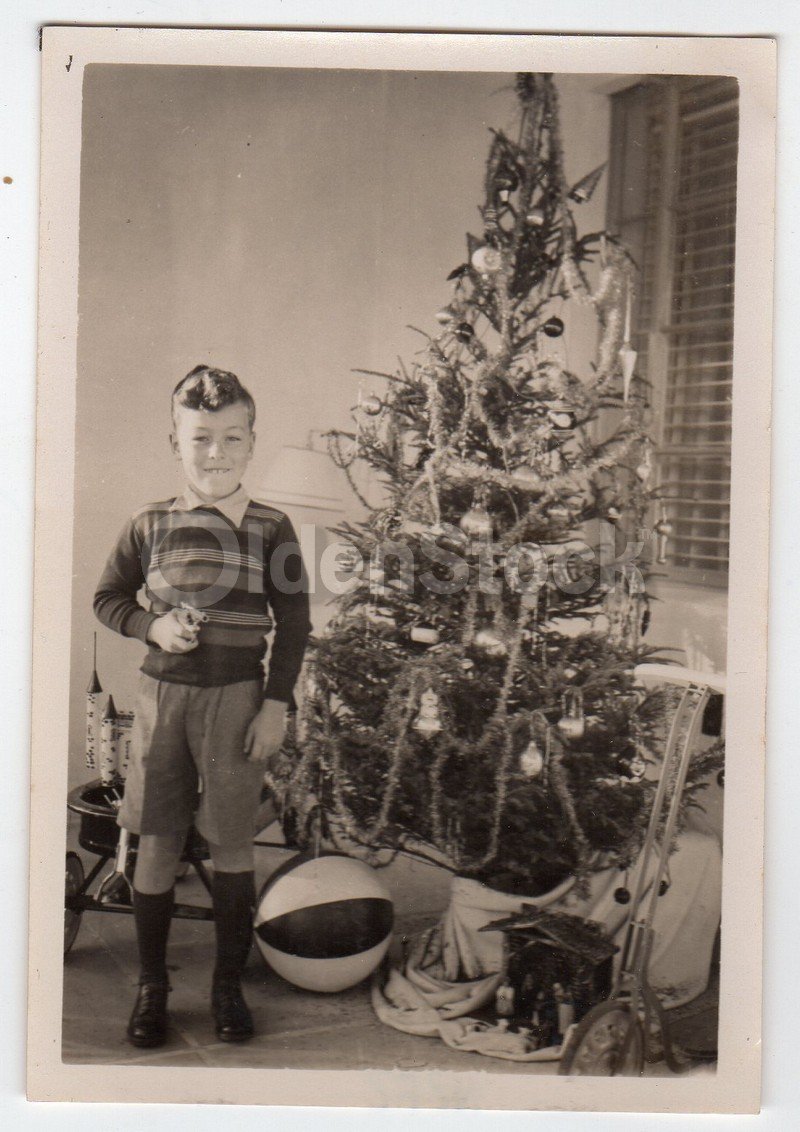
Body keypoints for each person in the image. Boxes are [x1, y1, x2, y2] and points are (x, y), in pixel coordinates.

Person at [94, 365, 312, 1048]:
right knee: (156, 841)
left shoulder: (274, 528)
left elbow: (296, 623)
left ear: (251, 443)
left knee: (231, 843)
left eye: (231, 438)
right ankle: (152, 987)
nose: (215, 453)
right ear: (174, 442)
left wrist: (276, 706)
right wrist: (152, 627)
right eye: (200, 439)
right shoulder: (148, 522)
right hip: (162, 701)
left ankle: (226, 985)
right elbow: (108, 598)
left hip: (238, 702)